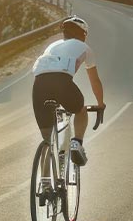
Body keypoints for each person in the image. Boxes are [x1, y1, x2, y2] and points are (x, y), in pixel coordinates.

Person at [30, 15, 105, 166]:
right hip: (61, 82)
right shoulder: (85, 48)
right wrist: (100, 103)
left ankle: (44, 184)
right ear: (83, 34)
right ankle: (77, 143)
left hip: (39, 84)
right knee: (80, 110)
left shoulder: (52, 45)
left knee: (47, 140)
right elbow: (94, 80)